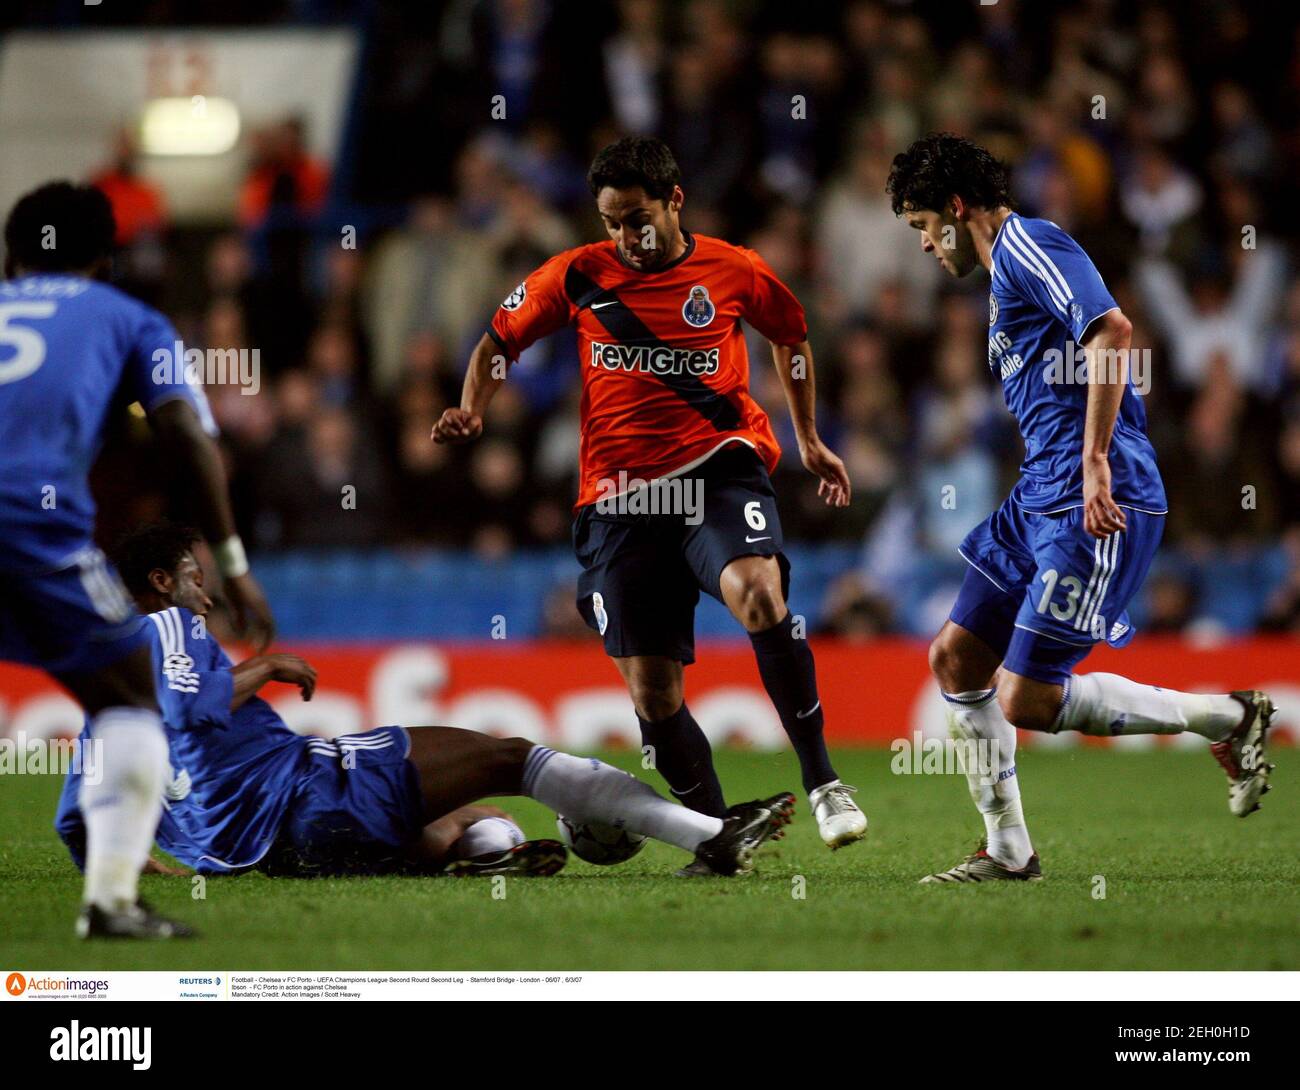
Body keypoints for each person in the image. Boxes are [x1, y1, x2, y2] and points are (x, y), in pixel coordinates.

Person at [433, 136, 866, 867]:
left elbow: (791, 337)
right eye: (611, 221)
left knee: (759, 592)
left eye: (637, 218)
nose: (626, 237)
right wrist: (473, 406)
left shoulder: (734, 270)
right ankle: (714, 836)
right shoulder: (576, 274)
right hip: (619, 502)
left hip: (716, 472)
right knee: (655, 695)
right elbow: (496, 341)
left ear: (674, 202)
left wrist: (810, 438)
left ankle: (824, 779)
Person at [887, 133, 1274, 883]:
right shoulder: (1004, 277)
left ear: (956, 208)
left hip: (1096, 489)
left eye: (922, 227)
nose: (926, 246)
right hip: (1041, 488)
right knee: (956, 657)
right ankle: (1007, 852)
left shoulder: (1027, 243)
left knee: (1027, 698)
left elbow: (1112, 333)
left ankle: (1230, 717)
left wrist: (1096, 461)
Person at [55, 524, 794, 884]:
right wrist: (266, 666)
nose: (205, 592)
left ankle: (478, 855)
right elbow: (190, 706)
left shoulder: (102, 697)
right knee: (509, 759)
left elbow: (74, 824)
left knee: (455, 823)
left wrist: (160, 880)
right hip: (305, 793)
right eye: (194, 576)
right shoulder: (163, 626)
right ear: (159, 581)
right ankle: (708, 835)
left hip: (273, 857)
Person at [0, 183, 274, 938]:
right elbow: (187, 435)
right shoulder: (129, 318)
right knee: (133, 698)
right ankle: (112, 902)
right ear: (107, 261)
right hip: (30, 525)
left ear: (8, 256)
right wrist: (231, 560)